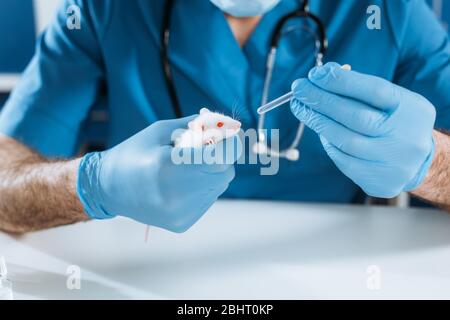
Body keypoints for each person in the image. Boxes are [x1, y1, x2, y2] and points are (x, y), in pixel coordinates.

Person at [0, 0, 448, 233]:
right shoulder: (105, 8)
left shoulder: (387, 11)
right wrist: (94, 185)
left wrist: (430, 162)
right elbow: (5, 182)